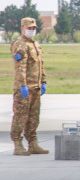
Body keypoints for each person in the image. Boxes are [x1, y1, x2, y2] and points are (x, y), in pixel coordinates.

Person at [10, 17, 48, 156]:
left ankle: (33, 143)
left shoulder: (35, 45)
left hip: (36, 87)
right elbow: (20, 67)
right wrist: (22, 85)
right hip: (25, 88)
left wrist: (43, 81)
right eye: (29, 28)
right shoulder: (20, 45)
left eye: (33, 28)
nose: (31, 30)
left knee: (33, 117)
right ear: (22, 28)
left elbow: (41, 65)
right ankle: (17, 144)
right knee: (20, 116)